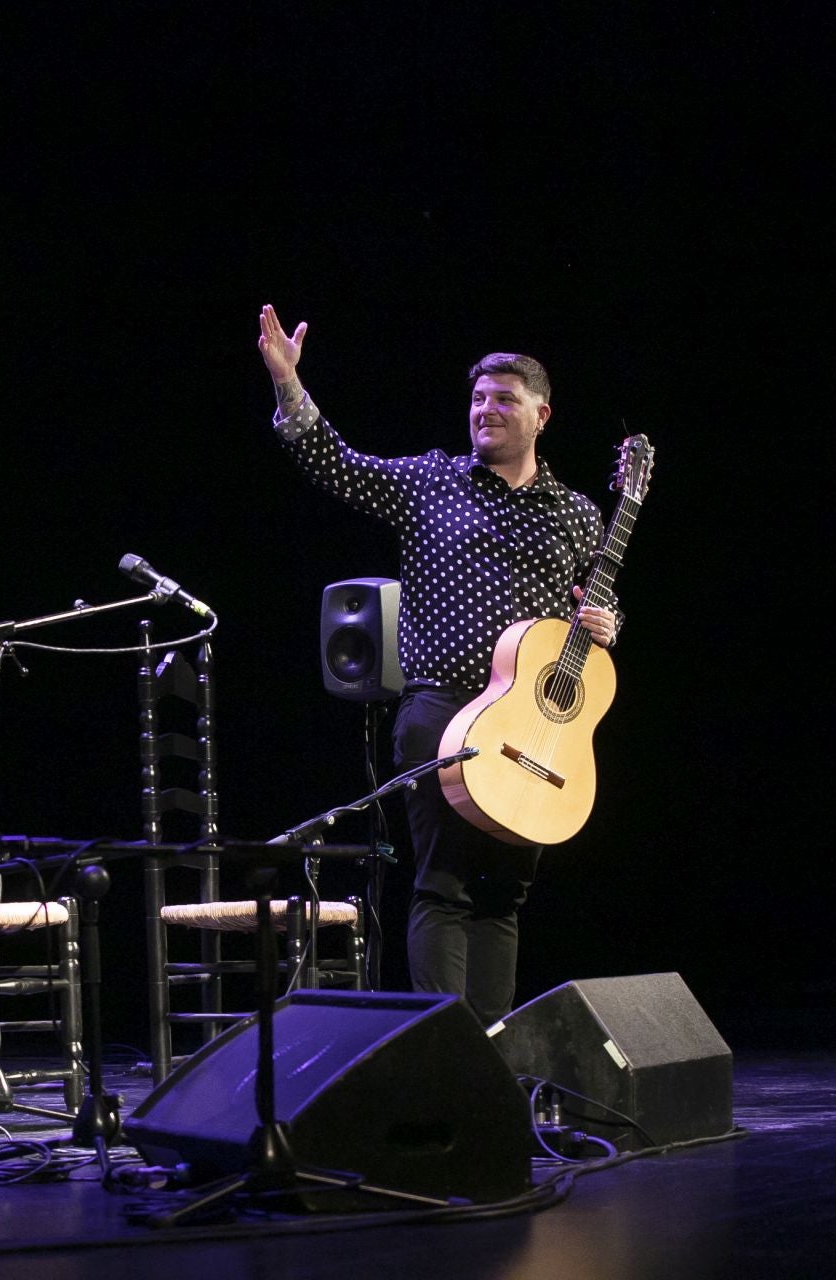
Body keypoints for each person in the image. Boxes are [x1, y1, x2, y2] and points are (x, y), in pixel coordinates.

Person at [256, 304, 620, 1026]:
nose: (486, 410)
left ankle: (487, 1056)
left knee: (502, 895)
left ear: (540, 415)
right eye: (478, 398)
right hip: (441, 711)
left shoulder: (576, 514)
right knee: (444, 886)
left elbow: (593, 606)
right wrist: (289, 388)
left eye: (504, 399)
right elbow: (337, 466)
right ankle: (444, 1057)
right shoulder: (431, 480)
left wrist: (609, 623)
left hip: (529, 725)